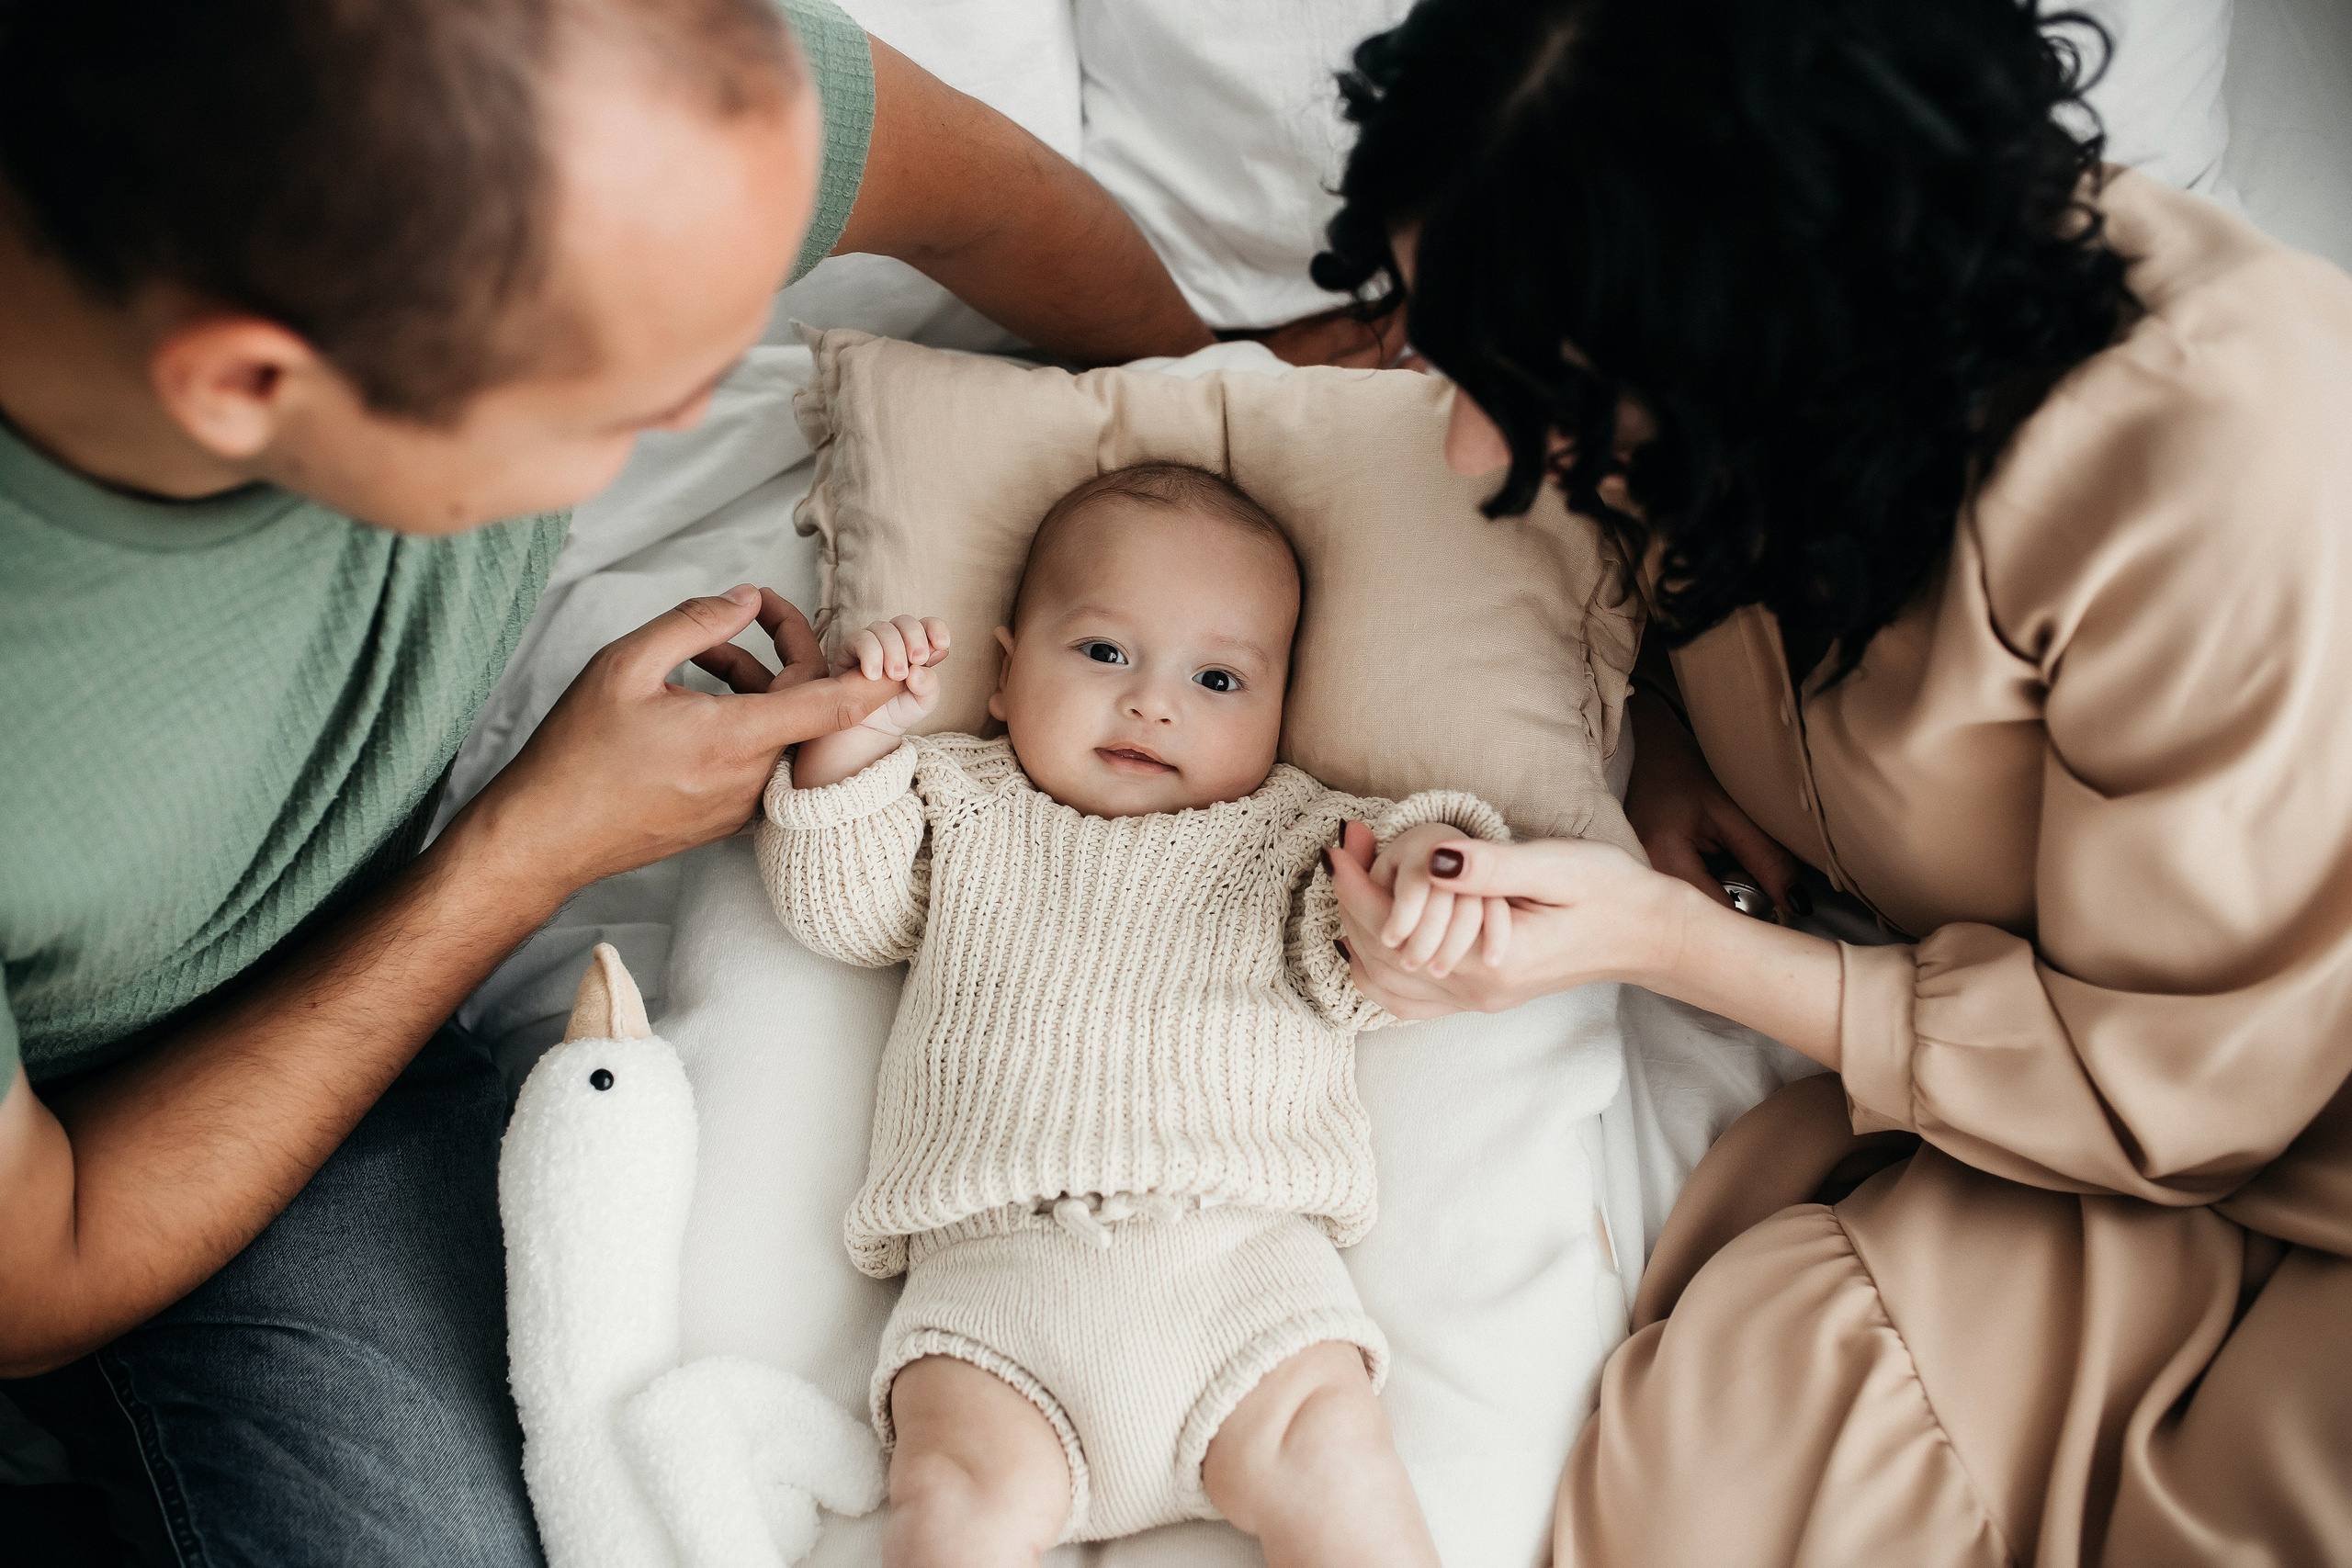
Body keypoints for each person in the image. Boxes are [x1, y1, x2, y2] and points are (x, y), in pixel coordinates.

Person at [0, 0, 1257, 1561]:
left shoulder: (580, 101)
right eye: (619, 406)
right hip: (108, 1140)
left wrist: (1225, 395)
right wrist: (522, 852)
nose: (687, 413)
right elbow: (34, 1275)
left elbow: (985, 193)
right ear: (249, 387)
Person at [1308, 0, 2352, 1562]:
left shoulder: (2206, 460)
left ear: (1754, 337)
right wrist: (1656, 751)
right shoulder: (1721, 390)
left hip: (2257, 1110)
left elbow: (2194, 1096)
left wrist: (1672, 945)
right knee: (1714, 1481)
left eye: (1527, 384)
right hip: (2045, 1109)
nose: (1468, 453)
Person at [761, 463, 1503, 1566]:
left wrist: (1423, 875)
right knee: (955, 1508)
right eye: (1104, 653)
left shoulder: (1293, 839)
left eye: (1218, 679)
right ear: (1006, 677)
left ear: (1283, 711)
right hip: (998, 1289)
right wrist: (852, 741)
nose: (1153, 701)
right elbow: (840, 907)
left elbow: (1381, 938)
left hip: (1244, 1276)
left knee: (1339, 1467)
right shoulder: (960, 802)